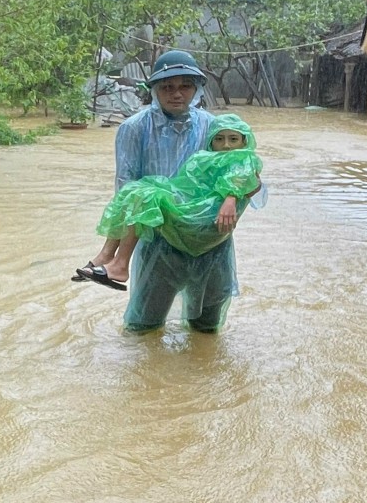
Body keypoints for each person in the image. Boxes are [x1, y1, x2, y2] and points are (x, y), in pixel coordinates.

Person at [77, 49, 253, 333]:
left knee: (207, 327)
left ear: (196, 89)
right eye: (167, 87)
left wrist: (232, 198)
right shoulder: (134, 128)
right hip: (158, 240)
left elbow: (243, 167)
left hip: (209, 236)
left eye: (185, 86)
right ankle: (114, 262)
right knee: (143, 327)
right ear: (155, 90)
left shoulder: (212, 126)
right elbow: (126, 190)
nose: (176, 93)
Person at [78, 114, 263, 289]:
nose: (226, 145)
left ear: (244, 141)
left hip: (203, 215)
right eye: (219, 139)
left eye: (233, 139)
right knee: (133, 190)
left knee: (145, 197)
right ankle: (106, 256)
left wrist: (230, 198)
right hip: (194, 203)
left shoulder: (244, 158)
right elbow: (187, 185)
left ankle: (119, 265)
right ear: (211, 142)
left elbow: (242, 178)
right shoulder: (205, 158)